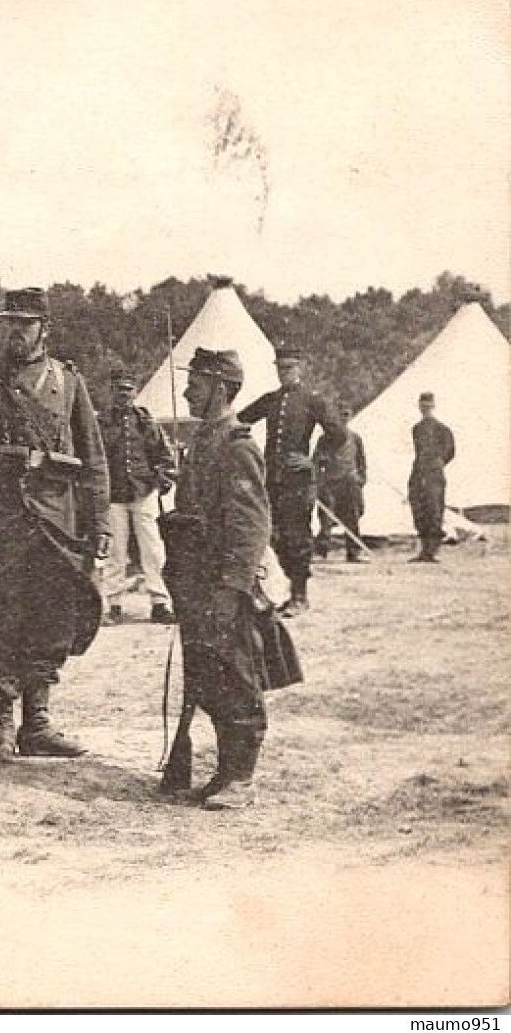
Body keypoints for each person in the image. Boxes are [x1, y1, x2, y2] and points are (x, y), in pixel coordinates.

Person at [0, 287, 110, 763]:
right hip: (3, 523)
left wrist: (98, 523)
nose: (16, 332)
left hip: (56, 525)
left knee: (51, 621)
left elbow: (94, 459)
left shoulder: (68, 383)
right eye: (10, 323)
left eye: (25, 324)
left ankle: (37, 723)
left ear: (45, 329)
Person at [161, 348, 272, 810]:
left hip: (222, 585)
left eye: (197, 384)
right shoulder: (204, 442)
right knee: (208, 676)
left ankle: (241, 778)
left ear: (220, 389)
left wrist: (233, 588)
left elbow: (250, 527)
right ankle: (225, 771)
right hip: (195, 582)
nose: (187, 390)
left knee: (237, 675)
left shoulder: (237, 446)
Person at [237, 345, 346, 615]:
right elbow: (239, 420)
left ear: (300, 368)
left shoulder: (312, 400)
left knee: (297, 537)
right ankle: (276, 593)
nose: (283, 373)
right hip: (270, 480)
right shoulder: (270, 400)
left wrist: (315, 460)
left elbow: (338, 434)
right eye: (279, 368)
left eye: (289, 368)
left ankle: (300, 596)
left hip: (298, 481)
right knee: (271, 535)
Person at [97, 367, 177, 624]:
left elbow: (164, 456)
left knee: (153, 549)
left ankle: (160, 602)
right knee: (115, 550)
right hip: (114, 493)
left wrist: (161, 478)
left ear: (136, 392)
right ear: (111, 391)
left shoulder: (145, 421)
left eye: (128, 390)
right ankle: (114, 603)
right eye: (119, 390)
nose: (124, 395)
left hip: (143, 490)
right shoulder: (101, 423)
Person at [313, 405, 367, 562]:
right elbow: (316, 461)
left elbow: (361, 462)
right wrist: (317, 481)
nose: (343, 418)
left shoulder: (356, 438)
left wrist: (361, 479)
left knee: (351, 517)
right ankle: (321, 552)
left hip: (349, 483)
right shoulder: (324, 439)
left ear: (350, 417)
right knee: (326, 519)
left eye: (346, 415)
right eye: (340, 415)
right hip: (329, 483)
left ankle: (354, 552)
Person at [408, 392, 456, 563]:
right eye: (422, 405)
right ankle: (424, 549)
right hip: (418, 470)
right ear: (419, 406)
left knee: (434, 509)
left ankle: (433, 550)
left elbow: (450, 451)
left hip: (434, 473)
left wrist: (437, 464)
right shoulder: (416, 429)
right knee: (418, 507)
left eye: (428, 405)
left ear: (433, 406)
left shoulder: (443, 429)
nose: (425, 408)